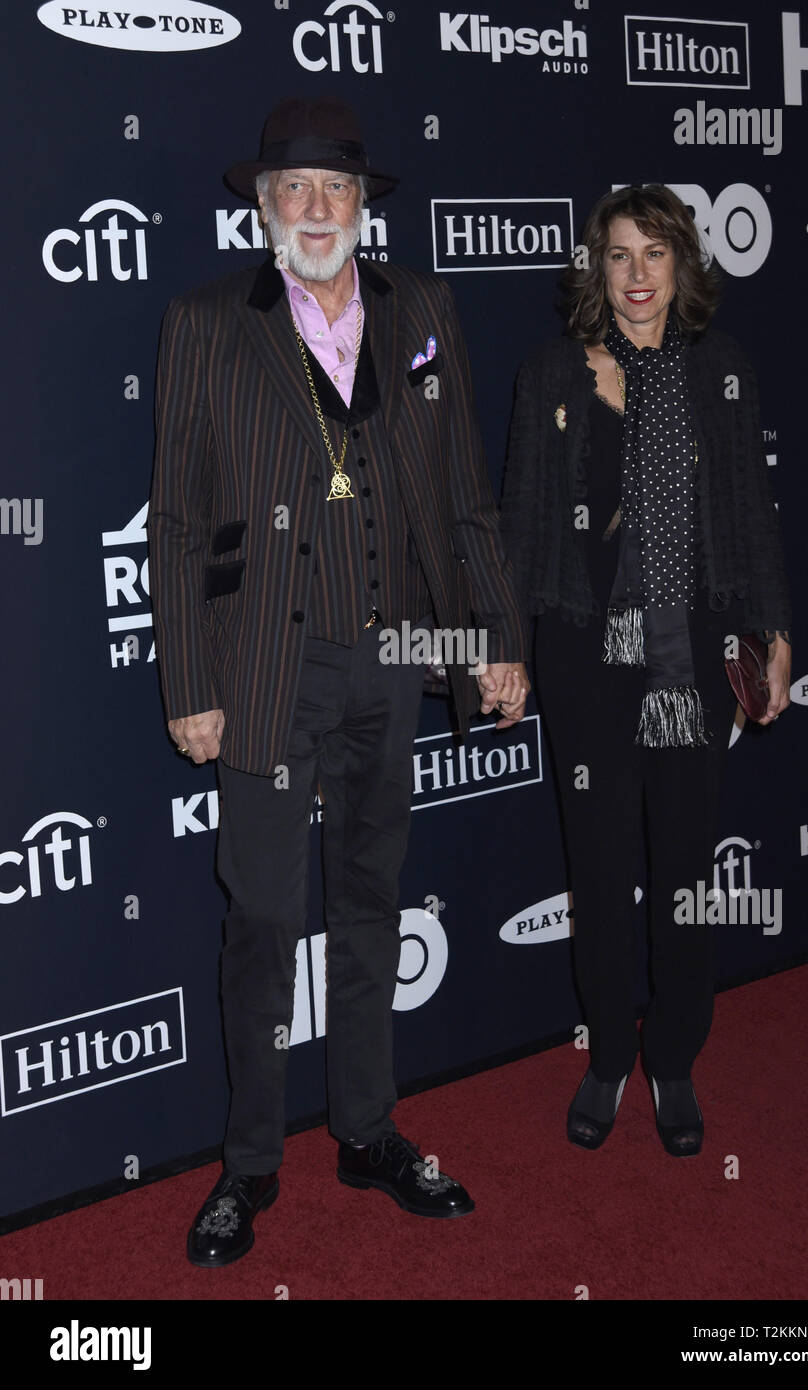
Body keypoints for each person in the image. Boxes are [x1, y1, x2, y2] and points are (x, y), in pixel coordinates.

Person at [149, 97, 529, 1267]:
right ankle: (249, 1164)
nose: (314, 210)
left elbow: (464, 490)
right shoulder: (210, 323)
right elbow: (180, 523)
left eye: (335, 190)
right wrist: (189, 678)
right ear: (262, 208)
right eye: (292, 190)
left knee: (371, 904)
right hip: (268, 666)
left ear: (363, 206)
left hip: (395, 653)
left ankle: (366, 1130)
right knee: (263, 923)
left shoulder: (424, 310)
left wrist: (494, 636)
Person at [499, 185, 790, 1158]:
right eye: (617, 255)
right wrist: (509, 648)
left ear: (681, 267)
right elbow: (528, 527)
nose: (634, 275)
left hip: (690, 661)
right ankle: (604, 1060)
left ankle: (670, 1055)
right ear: (596, 268)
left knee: (682, 872)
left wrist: (771, 630)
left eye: (653, 255)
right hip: (589, 659)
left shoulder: (722, 370)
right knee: (598, 867)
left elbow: (749, 515)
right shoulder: (552, 371)